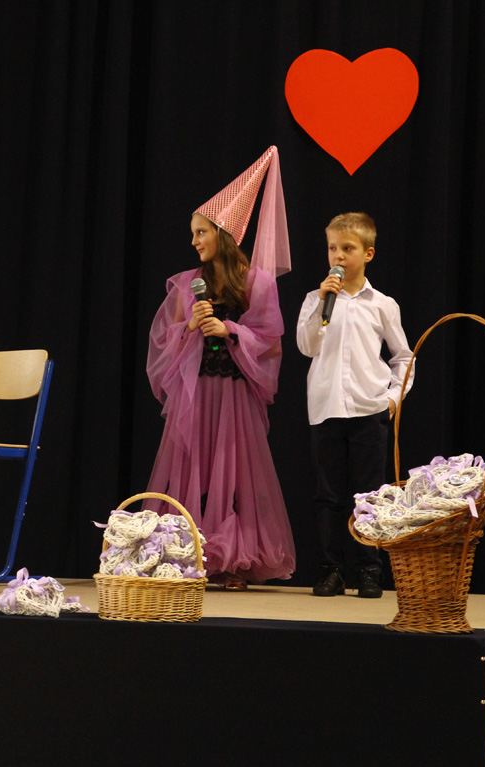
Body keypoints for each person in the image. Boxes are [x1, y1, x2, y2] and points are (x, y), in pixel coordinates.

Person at [146, 146, 296, 590]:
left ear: (223, 233)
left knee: (232, 476)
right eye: (192, 234)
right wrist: (191, 325)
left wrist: (229, 329)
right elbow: (164, 341)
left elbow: (269, 339)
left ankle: (233, 559)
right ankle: (184, 554)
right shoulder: (187, 284)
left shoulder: (256, 282)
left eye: (201, 232)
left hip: (233, 394)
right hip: (196, 393)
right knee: (190, 471)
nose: (194, 241)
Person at [296, 212, 413, 598]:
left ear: (368, 253)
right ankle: (331, 568)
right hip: (326, 407)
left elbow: (403, 357)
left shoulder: (382, 304)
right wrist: (322, 302)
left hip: (369, 410)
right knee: (328, 495)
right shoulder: (315, 299)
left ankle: (368, 569)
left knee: (370, 492)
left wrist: (392, 398)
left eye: (347, 248)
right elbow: (306, 346)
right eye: (333, 248)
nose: (339, 256)